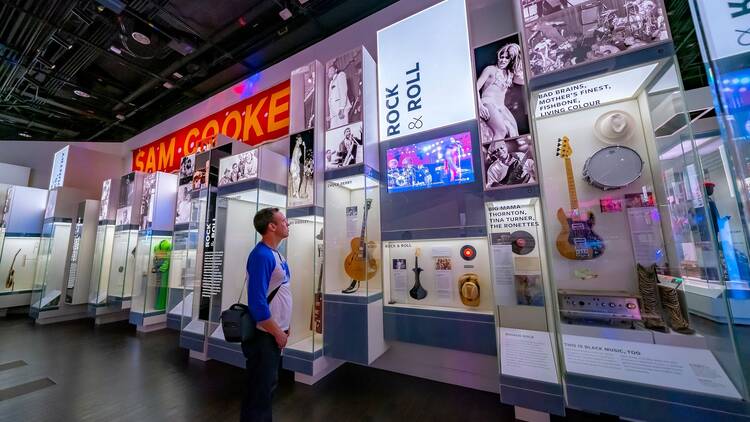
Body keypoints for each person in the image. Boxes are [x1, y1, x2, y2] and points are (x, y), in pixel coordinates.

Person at [241, 208, 291, 422]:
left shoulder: (276, 254)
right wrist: (277, 331)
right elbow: (257, 303)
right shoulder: (261, 255)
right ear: (271, 226)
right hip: (265, 335)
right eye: (283, 220)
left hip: (274, 332)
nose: (287, 223)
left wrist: (285, 326)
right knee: (260, 389)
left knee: (266, 386)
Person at [476, 43, 525, 142]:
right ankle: (492, 156)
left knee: (514, 132)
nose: (503, 60)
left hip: (502, 107)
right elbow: (475, 88)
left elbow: (524, 80)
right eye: (501, 57)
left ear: (511, 59)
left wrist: (516, 54)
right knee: (501, 131)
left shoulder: (510, 74)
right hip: (488, 103)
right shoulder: (490, 69)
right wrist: (480, 106)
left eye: (507, 58)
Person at [327, 63, 351, 128]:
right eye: (328, 71)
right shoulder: (331, 83)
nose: (329, 72)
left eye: (331, 70)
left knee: (343, 129)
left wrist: (342, 108)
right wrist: (331, 115)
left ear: (336, 70)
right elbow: (331, 100)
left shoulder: (340, 75)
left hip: (341, 110)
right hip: (334, 114)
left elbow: (343, 92)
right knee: (334, 131)